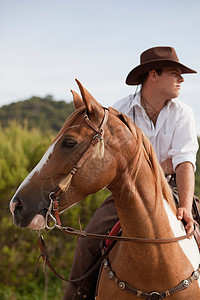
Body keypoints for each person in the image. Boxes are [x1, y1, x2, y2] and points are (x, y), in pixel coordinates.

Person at [63, 46, 198, 300]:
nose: (181, 78)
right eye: (175, 72)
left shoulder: (184, 114)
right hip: (127, 193)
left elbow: (184, 163)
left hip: (174, 190)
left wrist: (187, 206)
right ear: (153, 75)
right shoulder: (119, 112)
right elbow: (111, 161)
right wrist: (161, 166)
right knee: (88, 243)